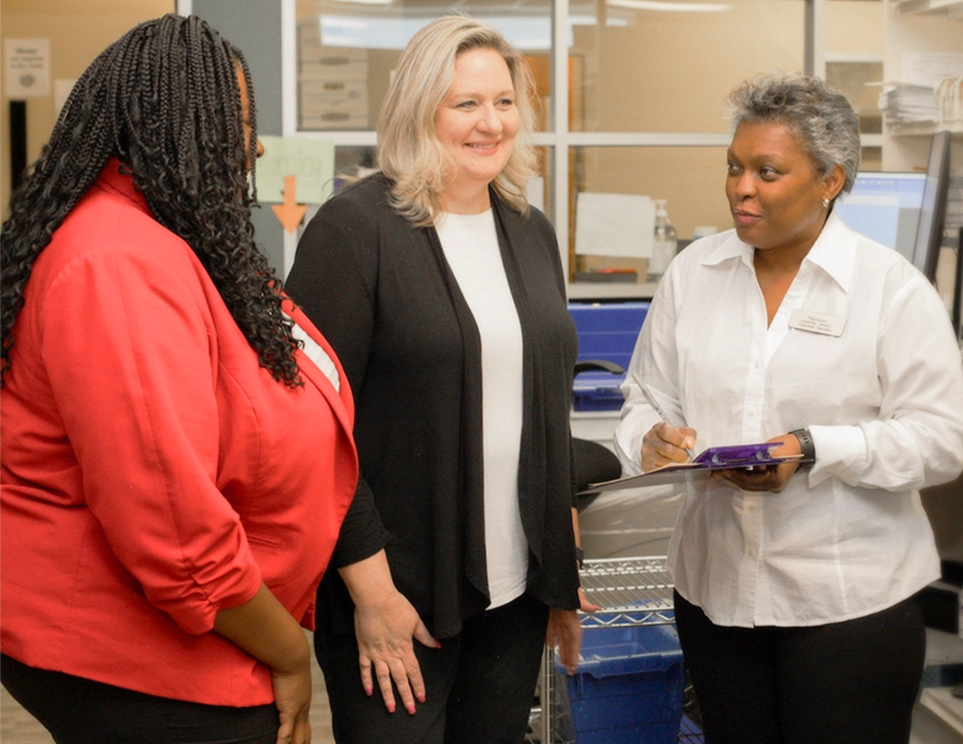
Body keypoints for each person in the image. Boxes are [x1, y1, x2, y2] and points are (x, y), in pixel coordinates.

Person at [0, 15, 358, 744]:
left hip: (206, 626)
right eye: (240, 125)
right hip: (138, 648)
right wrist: (290, 655)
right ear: (179, 128)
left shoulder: (176, 237)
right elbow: (172, 527)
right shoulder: (116, 263)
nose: (255, 147)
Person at [614, 71, 963, 744]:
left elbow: (943, 437)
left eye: (767, 172)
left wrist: (813, 449)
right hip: (713, 596)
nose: (741, 188)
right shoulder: (695, 274)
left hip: (846, 604)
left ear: (828, 180)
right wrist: (649, 438)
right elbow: (646, 396)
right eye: (734, 167)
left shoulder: (889, 290)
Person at [284, 15, 595, 744]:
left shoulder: (528, 228)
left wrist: (559, 572)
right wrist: (370, 593)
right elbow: (309, 427)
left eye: (504, 101)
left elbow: (542, 411)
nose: (491, 123)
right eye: (466, 104)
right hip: (398, 594)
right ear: (421, 110)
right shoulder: (353, 231)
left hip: (514, 596)